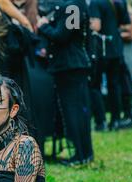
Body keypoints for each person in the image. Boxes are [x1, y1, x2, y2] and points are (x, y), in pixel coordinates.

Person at [37, 0, 94, 166]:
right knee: (79, 111)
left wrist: (43, 26)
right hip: (75, 64)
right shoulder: (78, 4)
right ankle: (85, 153)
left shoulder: (72, 6)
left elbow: (62, 36)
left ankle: (79, 155)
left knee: (73, 112)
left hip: (69, 65)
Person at [89, 0, 131, 130]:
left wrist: (84, 22)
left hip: (102, 49)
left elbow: (96, 26)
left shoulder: (96, 2)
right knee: (115, 85)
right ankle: (116, 120)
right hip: (116, 48)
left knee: (95, 85)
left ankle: (101, 122)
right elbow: (126, 24)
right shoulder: (120, 1)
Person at [118, 0, 132, 129]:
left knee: (129, 85)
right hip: (124, 54)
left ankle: (131, 115)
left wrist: (114, 34)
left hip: (129, 55)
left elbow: (131, 35)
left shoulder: (130, 15)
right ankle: (127, 114)